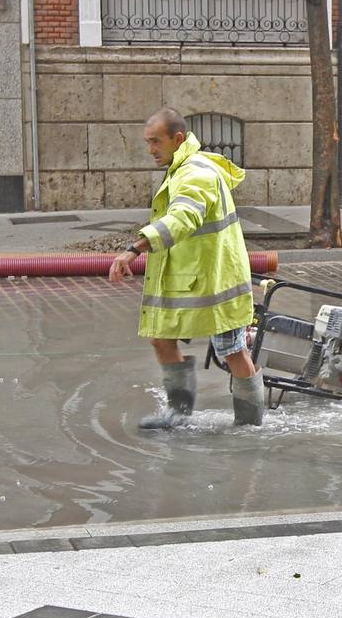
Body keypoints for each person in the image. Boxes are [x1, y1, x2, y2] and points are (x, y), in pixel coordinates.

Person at [109, 108, 264, 428]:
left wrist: (134, 249)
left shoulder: (195, 173)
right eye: (147, 142)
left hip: (216, 280)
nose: (151, 150)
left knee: (232, 351)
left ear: (177, 139)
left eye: (156, 141)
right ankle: (178, 412)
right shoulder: (182, 169)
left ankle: (250, 423)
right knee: (161, 338)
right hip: (190, 277)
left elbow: (182, 218)